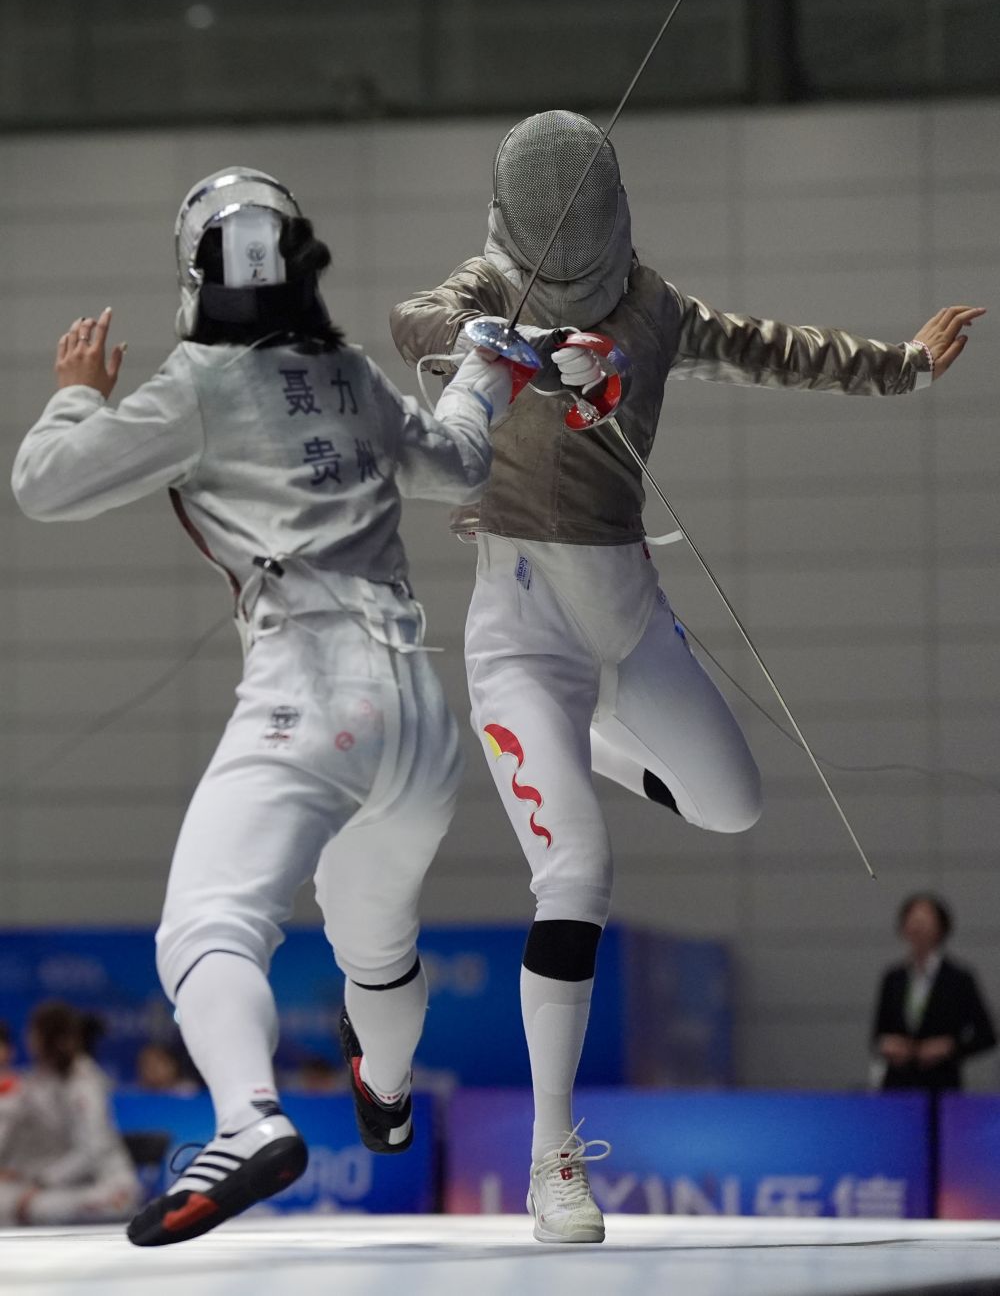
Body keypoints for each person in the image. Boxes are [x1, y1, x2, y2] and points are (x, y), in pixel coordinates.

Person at [390, 110, 987, 1244]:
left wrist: (905, 365)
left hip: (628, 622)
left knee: (732, 802)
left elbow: (772, 347)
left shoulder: (653, 306)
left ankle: (585, 741)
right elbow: (413, 318)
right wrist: (498, 344)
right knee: (578, 872)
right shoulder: (487, 290)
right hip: (522, 639)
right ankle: (553, 1160)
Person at [11, 167, 511, 1246]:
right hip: (419, 718)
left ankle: (247, 1120)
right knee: (376, 946)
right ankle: (386, 1094)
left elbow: (44, 482)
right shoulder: (355, 373)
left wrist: (78, 392)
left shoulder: (199, 382)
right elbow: (466, 462)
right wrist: (483, 369)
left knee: (207, 926)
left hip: (310, 691)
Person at [0, 1002, 141, 1226]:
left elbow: (92, 1151)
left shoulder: (85, 1082)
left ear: (45, 1037)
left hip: (109, 1188)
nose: (28, 1040)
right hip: (69, 1186)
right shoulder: (42, 1081)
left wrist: (40, 1181)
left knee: (28, 1207)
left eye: (33, 1033)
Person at [873, 893, 996, 1092]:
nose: (918, 927)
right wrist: (888, 1045)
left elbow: (986, 1035)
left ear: (941, 928)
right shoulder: (893, 978)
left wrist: (950, 1047)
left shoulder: (958, 979)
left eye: (924, 920)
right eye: (913, 920)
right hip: (898, 1085)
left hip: (941, 1084)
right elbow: (877, 1035)